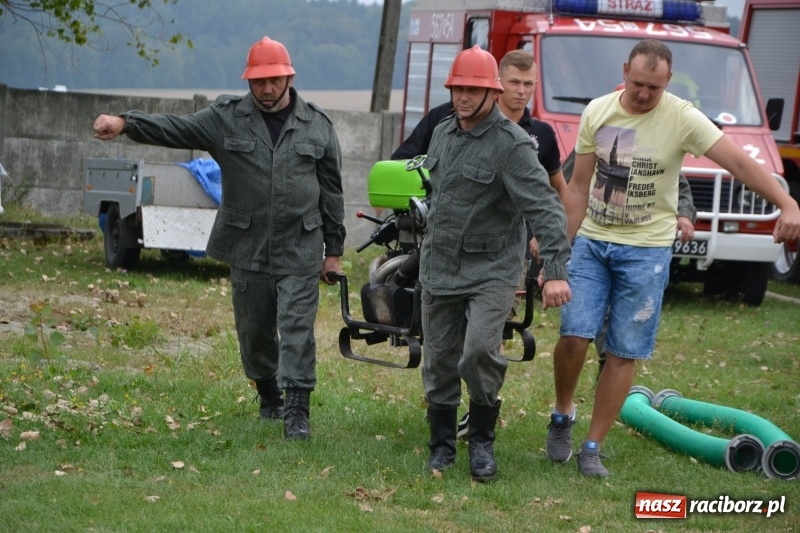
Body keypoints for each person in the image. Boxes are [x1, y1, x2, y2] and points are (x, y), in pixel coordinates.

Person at [547, 39, 800, 477]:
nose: (644, 94)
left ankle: (592, 446)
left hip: (647, 251)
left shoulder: (683, 117)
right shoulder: (598, 112)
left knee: (623, 351)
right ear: (625, 71)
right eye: (638, 84)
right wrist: (555, 259)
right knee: (574, 336)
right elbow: (579, 189)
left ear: (668, 82)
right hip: (593, 241)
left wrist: (788, 202)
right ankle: (562, 413)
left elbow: (739, 164)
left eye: (655, 87)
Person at [93, 36, 346, 442]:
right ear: (249, 81)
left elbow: (332, 192)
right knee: (254, 331)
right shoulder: (226, 118)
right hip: (247, 245)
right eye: (258, 82)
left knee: (297, 328)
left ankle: (297, 411)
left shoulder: (317, 125)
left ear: (289, 78)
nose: (266, 89)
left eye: (274, 81)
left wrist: (333, 252)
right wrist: (126, 123)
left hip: (300, 243)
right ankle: (269, 394)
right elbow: (176, 128)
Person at [418, 45, 572, 483]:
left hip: (492, 269)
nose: (463, 98)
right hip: (440, 265)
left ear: (492, 92)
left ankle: (482, 441)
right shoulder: (442, 132)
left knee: (479, 351)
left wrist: (555, 272)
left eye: (473, 90)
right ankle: (442, 445)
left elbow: (546, 208)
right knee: (438, 359)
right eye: (458, 89)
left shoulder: (512, 144)